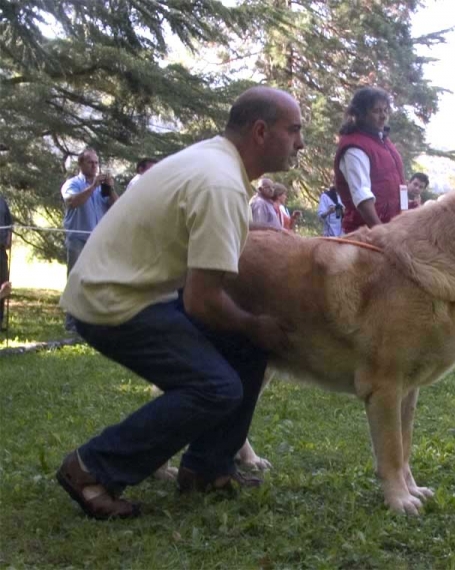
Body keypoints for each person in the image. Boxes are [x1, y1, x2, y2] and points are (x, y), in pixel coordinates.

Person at [55, 86, 304, 520]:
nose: (300, 142)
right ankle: (92, 467)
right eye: (294, 130)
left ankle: (207, 469)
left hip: (129, 290)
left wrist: (249, 331)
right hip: (113, 302)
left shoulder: (217, 161)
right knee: (215, 386)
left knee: (245, 350)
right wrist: (254, 323)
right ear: (261, 132)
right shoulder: (221, 183)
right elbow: (203, 301)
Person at [333, 86, 407, 233]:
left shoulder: (384, 141)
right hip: (365, 235)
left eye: (385, 110)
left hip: (391, 229)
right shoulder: (354, 148)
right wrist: (381, 234)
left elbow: (400, 185)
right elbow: (362, 196)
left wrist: (404, 217)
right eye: (376, 111)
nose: (383, 116)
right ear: (360, 114)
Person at [61, 148, 119, 332]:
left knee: (97, 280)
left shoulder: (101, 188)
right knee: (76, 280)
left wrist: (110, 190)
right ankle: (72, 322)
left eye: (96, 163)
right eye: (90, 163)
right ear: (81, 164)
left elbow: (117, 207)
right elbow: (73, 202)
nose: (94, 166)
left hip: (97, 240)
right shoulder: (73, 184)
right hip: (78, 238)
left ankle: (92, 320)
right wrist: (92, 186)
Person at [0, 195, 13, 328]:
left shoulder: (2, 201)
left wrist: (9, 239)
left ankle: (0, 320)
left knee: (3, 284)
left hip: (1, 250)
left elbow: (9, 224)